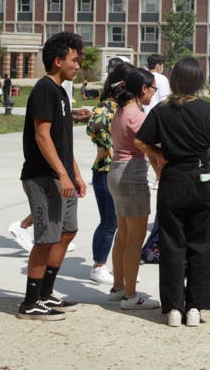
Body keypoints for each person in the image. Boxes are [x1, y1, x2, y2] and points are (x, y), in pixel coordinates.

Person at [134, 57, 210, 327]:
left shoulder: (162, 110)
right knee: (201, 245)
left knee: (171, 244)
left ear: (175, 80)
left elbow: (140, 140)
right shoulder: (208, 109)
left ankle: (174, 308)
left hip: (173, 178)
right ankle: (195, 307)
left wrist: (161, 154)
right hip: (203, 179)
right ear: (198, 81)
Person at [16, 31, 91, 320]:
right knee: (46, 238)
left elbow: (62, 142)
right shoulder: (44, 90)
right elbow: (42, 136)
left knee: (67, 231)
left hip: (61, 176)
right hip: (42, 176)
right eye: (74, 60)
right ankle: (30, 302)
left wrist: (76, 175)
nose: (78, 65)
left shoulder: (61, 92)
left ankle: (45, 294)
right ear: (58, 61)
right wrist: (61, 174)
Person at [108, 66, 161, 311]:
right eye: (153, 88)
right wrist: (161, 171)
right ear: (143, 88)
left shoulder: (120, 112)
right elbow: (149, 147)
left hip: (116, 171)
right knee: (135, 239)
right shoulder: (137, 115)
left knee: (123, 233)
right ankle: (131, 294)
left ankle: (119, 286)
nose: (154, 93)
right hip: (132, 175)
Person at [84, 62, 133, 286]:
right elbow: (94, 126)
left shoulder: (123, 107)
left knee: (121, 222)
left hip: (122, 171)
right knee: (109, 221)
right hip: (105, 171)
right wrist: (110, 147)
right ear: (123, 84)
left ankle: (118, 267)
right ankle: (98, 266)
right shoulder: (107, 106)